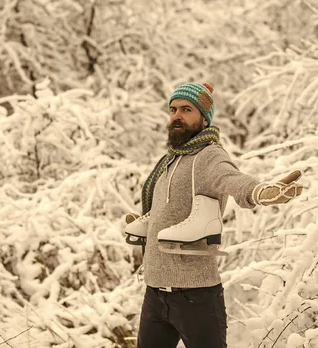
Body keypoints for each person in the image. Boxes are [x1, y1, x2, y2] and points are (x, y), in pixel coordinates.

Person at [127, 82, 303, 348]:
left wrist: (259, 191)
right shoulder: (170, 160)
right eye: (173, 109)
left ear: (204, 118)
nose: (177, 115)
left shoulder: (209, 155)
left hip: (195, 297)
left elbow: (231, 178)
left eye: (186, 109)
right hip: (154, 292)